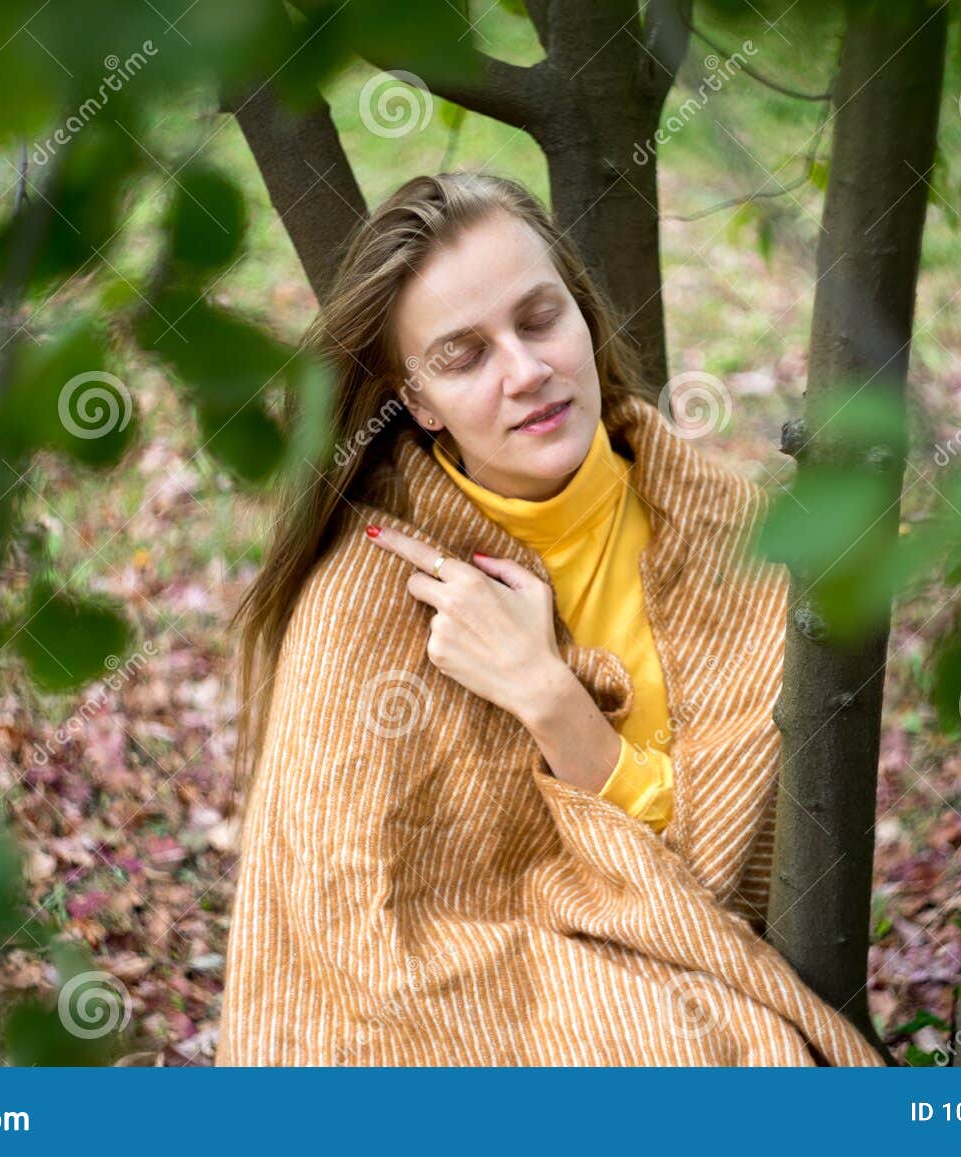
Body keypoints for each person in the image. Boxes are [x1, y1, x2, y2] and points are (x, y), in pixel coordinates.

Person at [216, 171, 881, 1066]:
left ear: (583, 313)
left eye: (539, 319)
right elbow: (361, 954)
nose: (527, 372)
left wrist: (551, 700)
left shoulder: (738, 535)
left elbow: (761, 868)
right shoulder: (365, 601)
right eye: (463, 356)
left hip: (713, 985)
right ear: (416, 401)